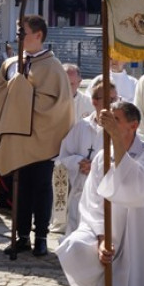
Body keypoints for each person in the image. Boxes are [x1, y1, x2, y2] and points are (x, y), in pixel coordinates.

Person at [56, 100, 144, 286]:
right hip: (105, 229)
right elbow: (92, 202)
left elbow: (135, 189)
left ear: (133, 126)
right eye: (109, 119)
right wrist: (102, 237)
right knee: (73, 246)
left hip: (141, 230)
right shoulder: (101, 157)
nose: (110, 124)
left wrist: (116, 138)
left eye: (116, 120)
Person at [0, 14, 73, 257]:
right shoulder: (11, 64)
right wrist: (14, 96)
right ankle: (22, 235)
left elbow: (59, 104)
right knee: (20, 189)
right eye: (18, 32)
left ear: (38, 35)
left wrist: (22, 98)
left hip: (41, 138)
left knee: (41, 188)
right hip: (17, 137)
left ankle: (41, 236)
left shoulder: (53, 67)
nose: (19, 37)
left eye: (23, 32)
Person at [55, 76, 116, 236]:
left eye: (115, 99)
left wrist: (96, 167)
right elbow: (63, 156)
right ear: (95, 102)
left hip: (106, 193)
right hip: (81, 191)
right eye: (109, 99)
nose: (114, 103)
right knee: (77, 232)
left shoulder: (118, 129)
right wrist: (78, 162)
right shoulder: (81, 127)